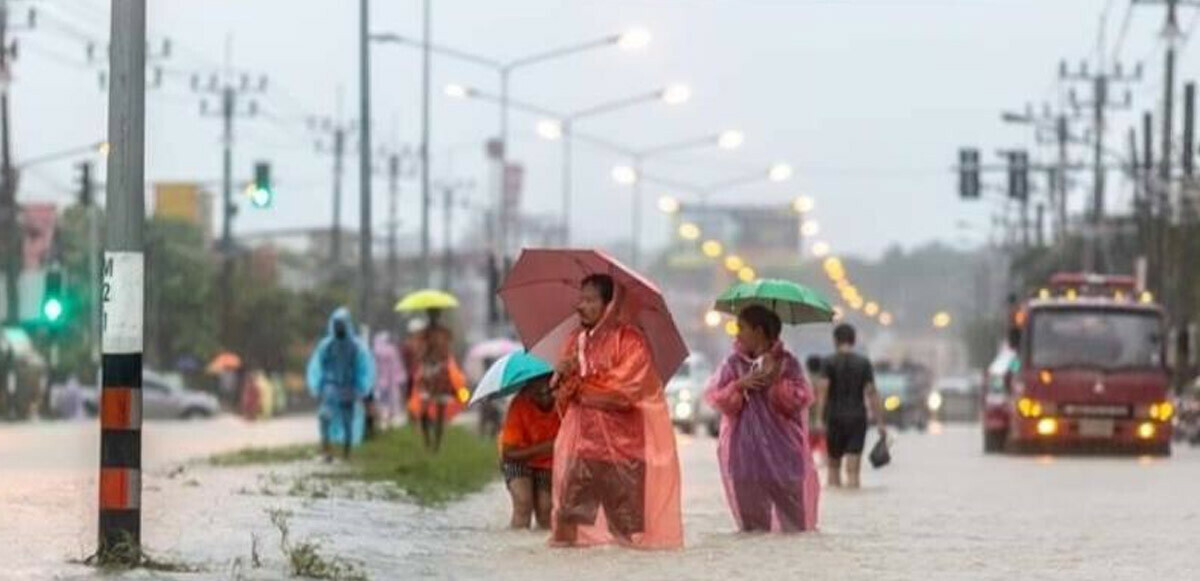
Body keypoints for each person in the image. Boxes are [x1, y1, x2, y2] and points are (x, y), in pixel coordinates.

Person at [550, 274, 683, 549]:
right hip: (582, 450)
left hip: (624, 454)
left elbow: (625, 392)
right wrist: (560, 378)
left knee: (627, 536)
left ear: (609, 304)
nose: (581, 306)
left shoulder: (631, 341)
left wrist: (580, 386)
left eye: (589, 300)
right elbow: (562, 401)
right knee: (565, 529)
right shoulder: (576, 341)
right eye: (580, 299)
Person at [705, 305, 820, 533]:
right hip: (745, 459)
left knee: (795, 531)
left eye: (742, 328)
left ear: (758, 331)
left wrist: (775, 380)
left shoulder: (788, 364)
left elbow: (801, 399)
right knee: (752, 533)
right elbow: (717, 399)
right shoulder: (733, 364)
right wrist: (739, 385)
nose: (737, 334)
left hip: (785, 457)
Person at [813, 323, 887, 489]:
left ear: (835, 340)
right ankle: (854, 500)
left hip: (834, 418)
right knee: (853, 471)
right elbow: (872, 393)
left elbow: (823, 391)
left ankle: (840, 505)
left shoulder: (828, 362)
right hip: (857, 418)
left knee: (833, 468)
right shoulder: (864, 363)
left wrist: (818, 419)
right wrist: (881, 422)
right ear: (853, 340)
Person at [306, 308, 375, 462]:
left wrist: (362, 387)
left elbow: (363, 368)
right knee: (324, 418)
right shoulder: (326, 346)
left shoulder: (356, 347)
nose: (338, 328)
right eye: (336, 324)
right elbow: (317, 366)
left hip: (348, 389)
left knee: (347, 423)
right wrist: (317, 385)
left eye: (341, 325)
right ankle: (326, 450)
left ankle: (346, 453)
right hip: (330, 388)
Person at [499, 375, 560, 530]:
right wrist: (544, 448)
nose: (545, 397)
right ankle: (516, 546)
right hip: (518, 460)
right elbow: (508, 454)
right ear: (528, 392)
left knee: (546, 510)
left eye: (549, 391)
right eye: (539, 393)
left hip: (548, 463)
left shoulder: (563, 404)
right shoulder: (519, 405)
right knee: (523, 503)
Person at [407, 310, 466, 452]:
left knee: (440, 411)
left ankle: (436, 445)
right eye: (430, 314)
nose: (433, 317)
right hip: (427, 372)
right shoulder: (424, 333)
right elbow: (419, 352)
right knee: (423, 411)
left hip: (440, 373)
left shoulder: (445, 332)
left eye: (435, 314)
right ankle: (427, 441)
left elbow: (447, 351)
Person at [372, 331, 407, 430]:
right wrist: (401, 377)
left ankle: (382, 420)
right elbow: (397, 365)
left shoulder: (374, 350)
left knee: (380, 401)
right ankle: (391, 418)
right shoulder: (392, 350)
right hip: (391, 380)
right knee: (392, 400)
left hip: (379, 380)